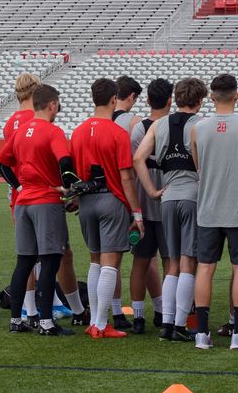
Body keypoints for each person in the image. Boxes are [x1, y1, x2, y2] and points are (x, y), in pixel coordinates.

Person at [190, 74, 238, 350]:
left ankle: (201, 334)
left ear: (211, 96)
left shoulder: (198, 129)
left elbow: (199, 166)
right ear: (236, 96)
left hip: (209, 207)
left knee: (205, 267)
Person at [0, 84, 75, 336]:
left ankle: (16, 320)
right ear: (52, 105)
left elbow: (1, 163)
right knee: (50, 261)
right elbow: (65, 162)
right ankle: (46, 322)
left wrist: (18, 185)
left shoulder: (20, 132)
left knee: (24, 262)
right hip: (46, 200)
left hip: (24, 201)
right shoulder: (53, 131)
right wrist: (69, 188)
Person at [132, 77, 207, 342]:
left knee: (172, 262)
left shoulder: (159, 124)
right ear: (200, 101)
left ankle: (166, 323)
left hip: (167, 197)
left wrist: (152, 190)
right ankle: (178, 324)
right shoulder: (202, 124)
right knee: (188, 262)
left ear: (175, 99)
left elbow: (138, 158)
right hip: (193, 196)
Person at [71, 78, 144, 339]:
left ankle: (95, 321)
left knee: (94, 261)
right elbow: (125, 177)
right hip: (111, 199)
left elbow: (75, 173)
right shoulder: (116, 132)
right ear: (114, 99)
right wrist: (137, 213)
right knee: (110, 262)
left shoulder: (78, 131)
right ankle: (101, 324)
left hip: (86, 200)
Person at [128, 78, 172, 334]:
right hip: (167, 205)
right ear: (170, 101)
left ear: (147, 100)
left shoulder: (139, 130)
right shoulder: (173, 127)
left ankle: (138, 317)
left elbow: (133, 167)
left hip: (143, 206)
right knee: (170, 263)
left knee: (140, 262)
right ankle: (167, 315)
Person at [108, 75, 143, 330]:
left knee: (103, 260)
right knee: (142, 257)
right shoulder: (133, 122)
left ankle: (114, 312)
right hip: (126, 191)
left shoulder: (96, 120)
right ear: (130, 97)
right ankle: (151, 312)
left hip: (100, 192)